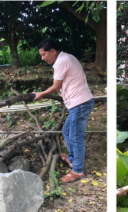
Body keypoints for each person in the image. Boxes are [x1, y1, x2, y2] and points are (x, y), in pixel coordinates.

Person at [33, 39, 95, 183]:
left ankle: (77, 170)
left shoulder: (61, 62)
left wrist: (41, 94)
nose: (42, 58)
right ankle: (72, 159)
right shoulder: (68, 57)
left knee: (75, 137)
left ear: (53, 51)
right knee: (67, 131)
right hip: (78, 103)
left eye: (43, 54)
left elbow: (56, 86)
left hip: (80, 103)